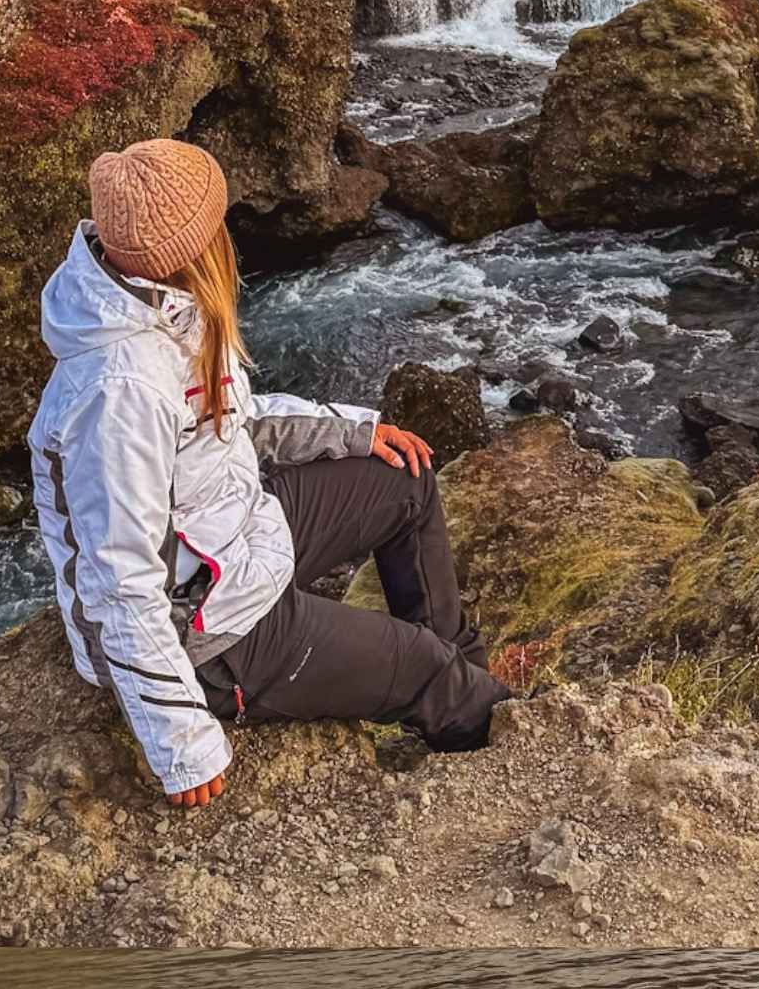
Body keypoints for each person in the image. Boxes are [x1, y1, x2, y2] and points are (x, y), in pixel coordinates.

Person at [28, 138, 507, 809]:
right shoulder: (119, 389)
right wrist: (180, 742)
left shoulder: (159, 304)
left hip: (228, 533)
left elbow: (236, 421)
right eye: (219, 218)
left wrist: (356, 431)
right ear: (197, 243)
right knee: (420, 670)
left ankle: (464, 675)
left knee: (404, 478)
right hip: (206, 631)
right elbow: (119, 578)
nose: (229, 230)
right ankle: (493, 728)